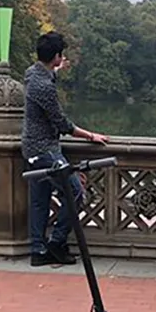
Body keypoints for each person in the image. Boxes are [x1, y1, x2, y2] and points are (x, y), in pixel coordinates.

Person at [23, 31, 109, 267]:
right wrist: (91, 136)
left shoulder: (31, 74)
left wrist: (56, 69)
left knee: (40, 200)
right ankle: (57, 242)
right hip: (45, 150)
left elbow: (46, 80)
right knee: (76, 194)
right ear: (58, 57)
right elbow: (63, 124)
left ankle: (38, 251)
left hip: (30, 149)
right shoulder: (44, 86)